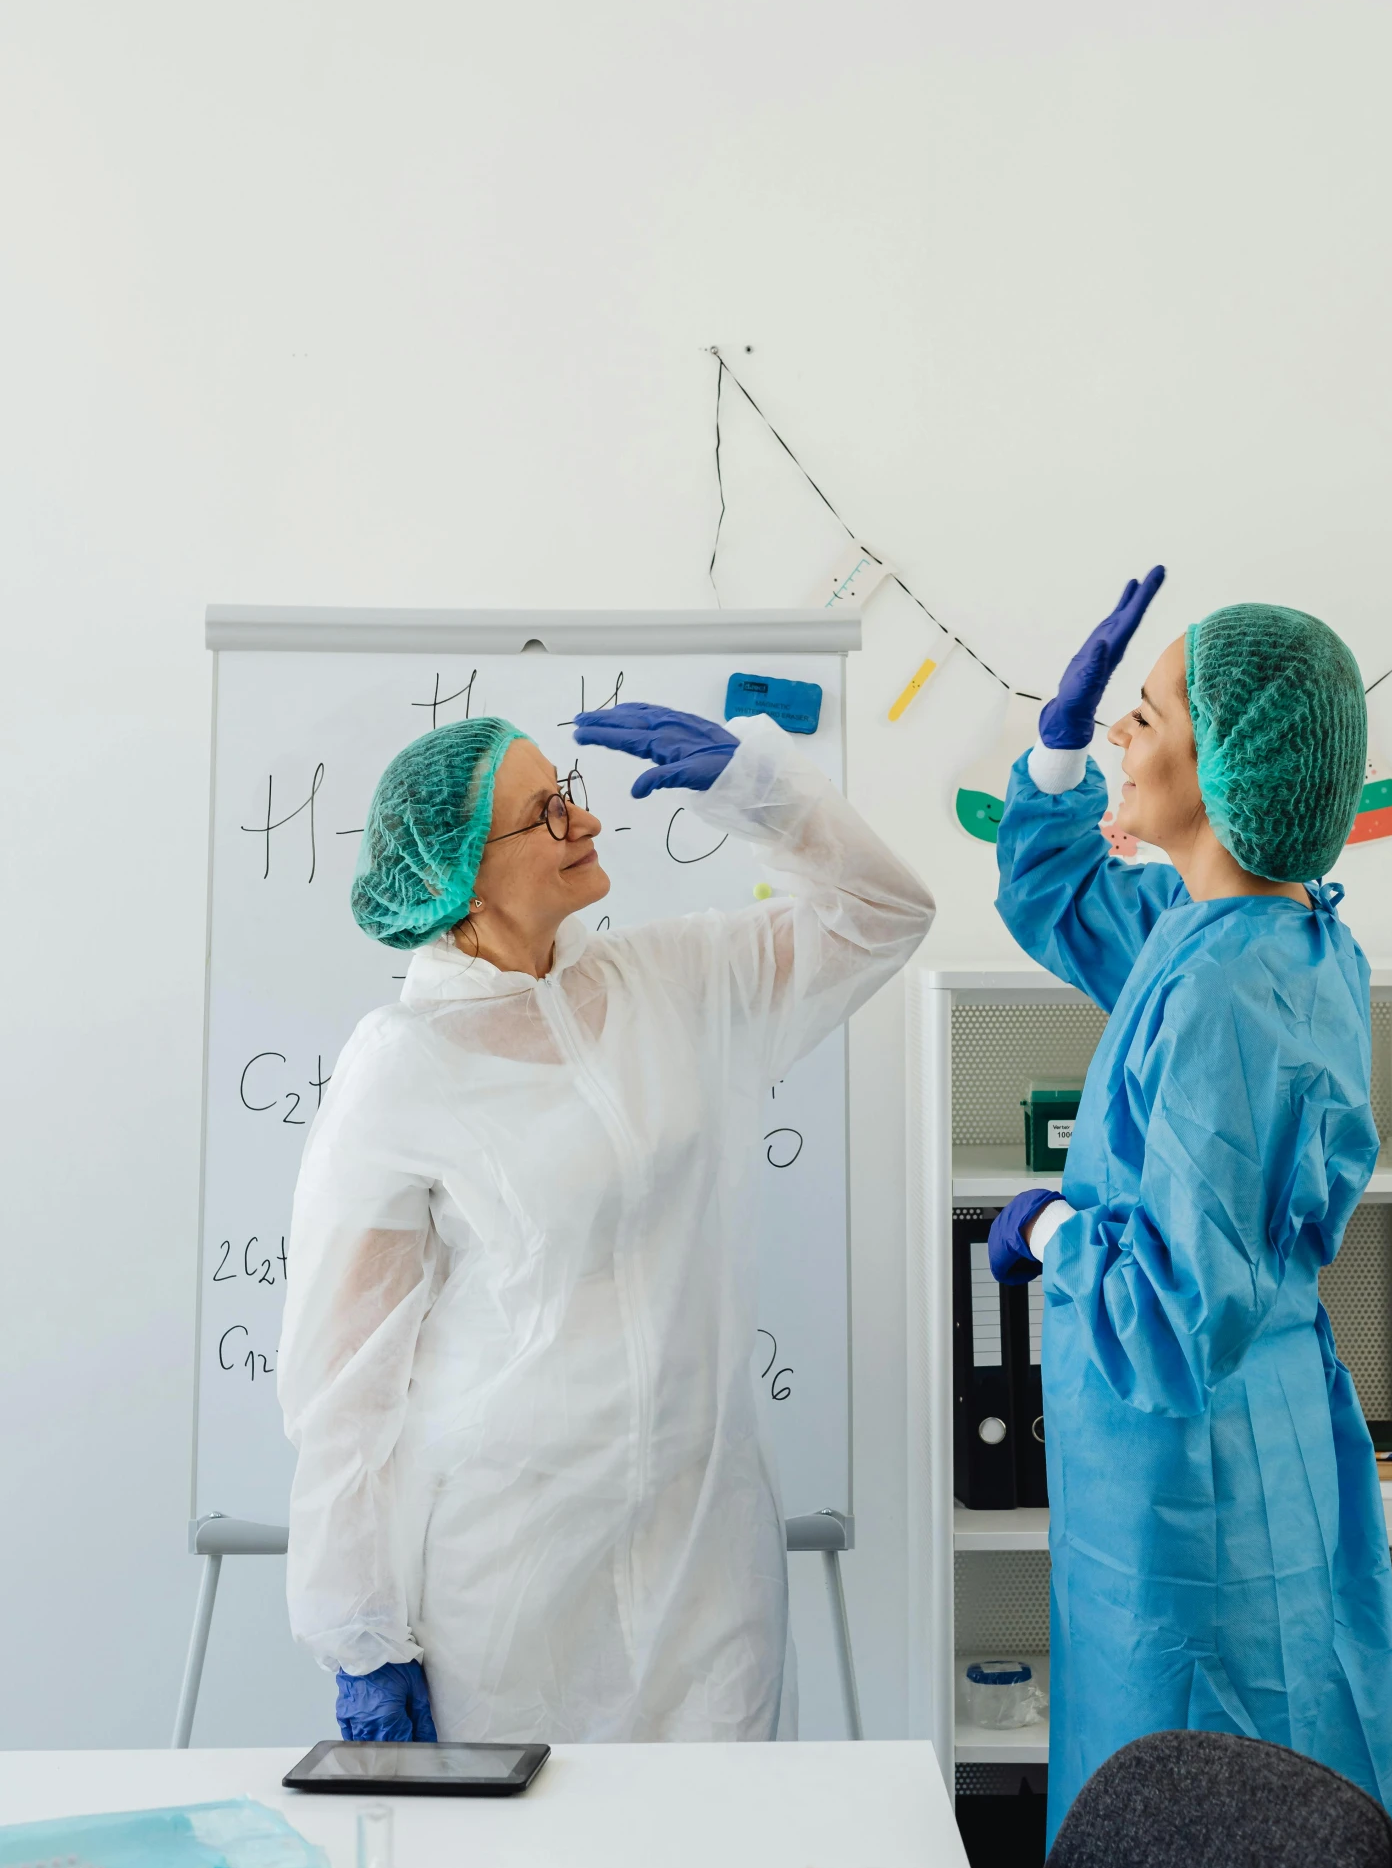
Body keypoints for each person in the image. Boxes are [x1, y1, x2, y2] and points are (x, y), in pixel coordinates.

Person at [277, 700, 933, 1746]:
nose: (583, 823)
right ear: (460, 873)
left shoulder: (667, 982)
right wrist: (359, 1630)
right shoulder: (401, 1066)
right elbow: (347, 1377)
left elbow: (884, 913)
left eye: (568, 797)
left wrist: (759, 789)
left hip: (702, 1551)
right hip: (510, 1566)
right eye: (544, 813)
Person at [988, 575, 1392, 1868]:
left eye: (1144, 710)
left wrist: (1047, 1231)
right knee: (1248, 1789)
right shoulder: (1241, 931)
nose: (1119, 721)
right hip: (1236, 1449)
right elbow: (1053, 896)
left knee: (1205, 1830)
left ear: (1222, 773)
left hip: (1195, 1488)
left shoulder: (1229, 989)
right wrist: (1049, 759)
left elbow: (1167, 1312)